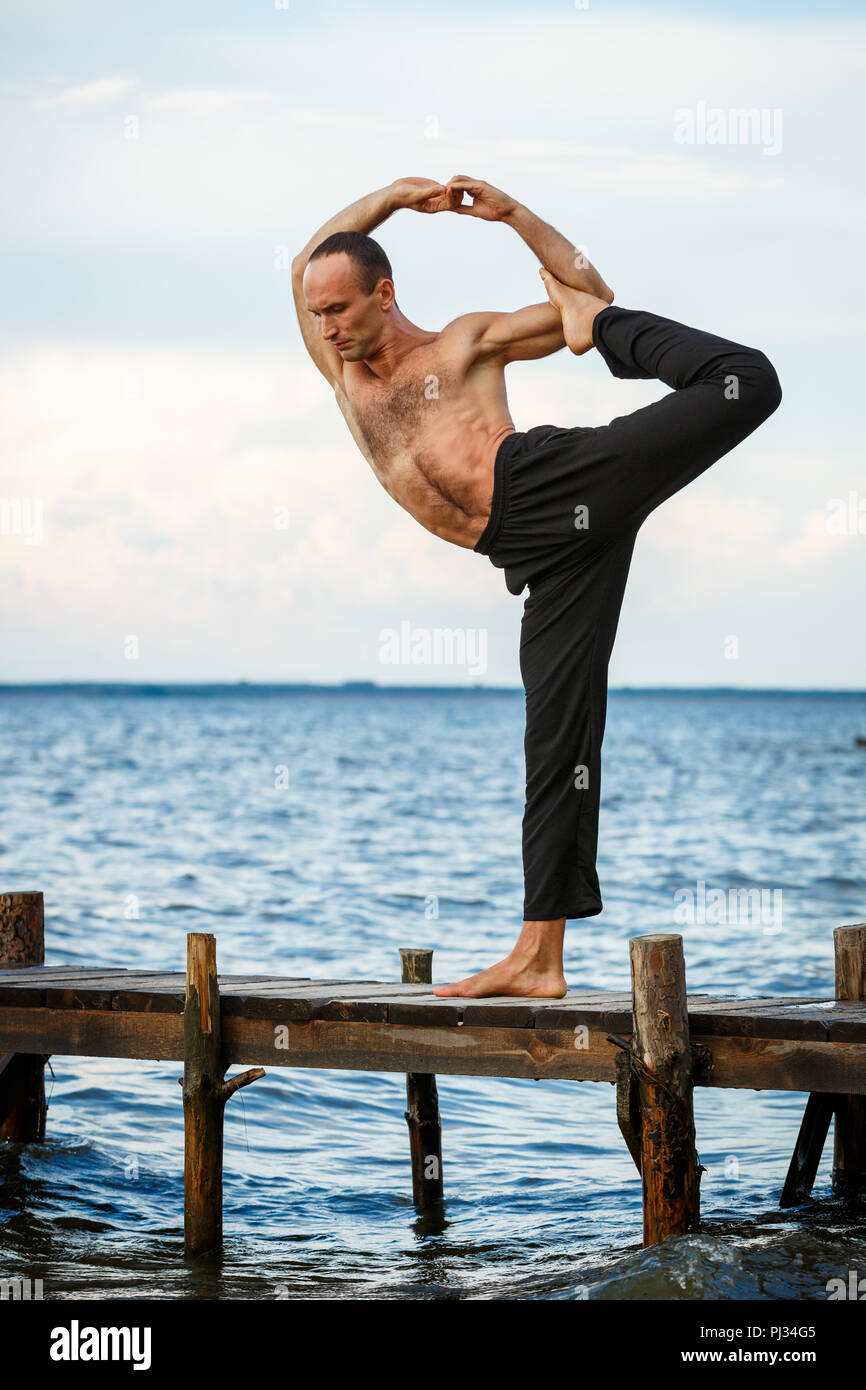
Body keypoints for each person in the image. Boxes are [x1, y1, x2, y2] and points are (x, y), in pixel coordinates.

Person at [291, 175, 782, 999]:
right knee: (556, 745)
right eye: (316, 314)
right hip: (537, 557)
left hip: (553, 485)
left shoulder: (464, 344)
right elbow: (305, 260)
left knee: (742, 381)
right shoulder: (342, 376)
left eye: (339, 309)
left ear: (384, 293)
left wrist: (516, 217)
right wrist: (393, 198)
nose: (326, 327)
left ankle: (618, 339)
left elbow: (585, 286)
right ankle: (539, 957)